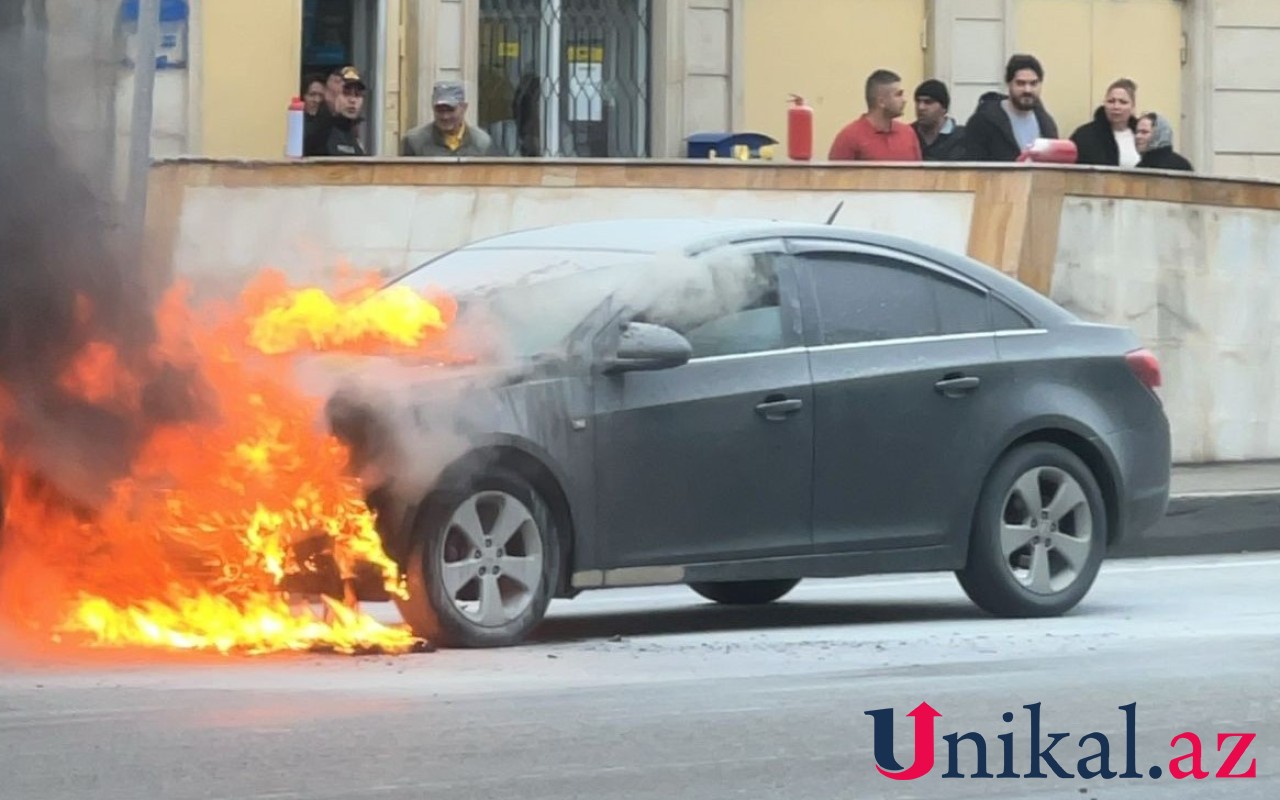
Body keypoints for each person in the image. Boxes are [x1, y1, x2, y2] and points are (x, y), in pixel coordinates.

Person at [962, 54, 1059, 161]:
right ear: (1009, 84)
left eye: (1033, 83)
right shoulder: (983, 121)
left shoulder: (1046, 124)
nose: (1028, 90)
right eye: (1020, 83)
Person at [828, 69, 922, 162]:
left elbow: (919, 175)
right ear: (881, 102)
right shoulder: (849, 138)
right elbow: (836, 176)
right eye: (898, 95)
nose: (904, 100)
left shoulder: (908, 134)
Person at [402, 81, 497, 156]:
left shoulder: (482, 143)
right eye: (439, 110)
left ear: (464, 108)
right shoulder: (415, 141)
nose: (445, 116)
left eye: (450, 110)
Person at [1070, 78, 1140, 167]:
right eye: (1111, 101)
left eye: (1123, 102)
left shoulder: (1143, 135)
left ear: (1132, 107)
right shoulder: (1085, 136)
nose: (1116, 107)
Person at [319, 66, 367, 156]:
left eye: (357, 95)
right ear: (329, 96)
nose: (353, 100)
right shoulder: (318, 133)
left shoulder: (353, 133)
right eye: (346, 93)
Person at [911, 79, 965, 160]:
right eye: (918, 101)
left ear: (944, 108)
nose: (920, 107)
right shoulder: (907, 134)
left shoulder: (964, 138)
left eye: (928, 102)